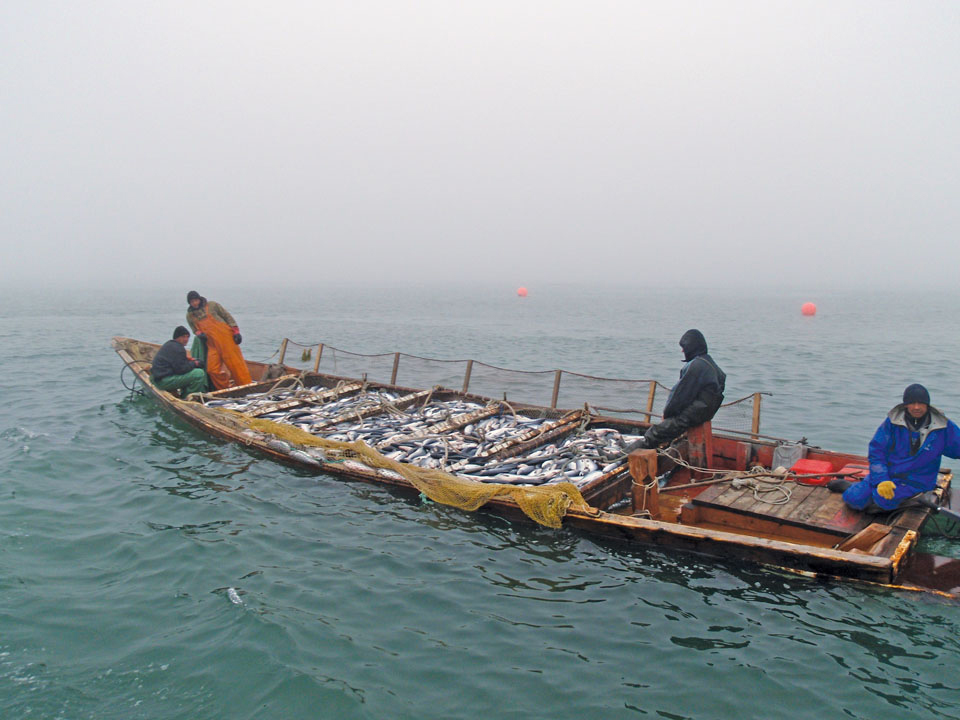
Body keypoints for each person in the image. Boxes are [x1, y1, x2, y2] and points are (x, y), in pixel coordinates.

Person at [829, 384, 960, 513]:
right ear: (905, 405)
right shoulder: (892, 423)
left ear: (927, 405)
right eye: (912, 403)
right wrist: (882, 480)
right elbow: (877, 453)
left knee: (883, 500)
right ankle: (851, 488)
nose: (916, 407)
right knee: (854, 500)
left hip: (918, 481)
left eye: (921, 403)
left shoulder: (943, 427)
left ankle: (882, 498)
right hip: (890, 474)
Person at [625, 329, 726, 451]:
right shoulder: (711, 364)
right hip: (703, 415)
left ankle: (620, 456)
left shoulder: (696, 366)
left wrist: (667, 415)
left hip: (690, 416)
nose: (683, 350)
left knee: (654, 433)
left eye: (684, 347)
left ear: (691, 347)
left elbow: (680, 396)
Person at [185, 290, 253, 390]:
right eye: (192, 302)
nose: (194, 303)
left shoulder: (212, 305)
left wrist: (236, 331)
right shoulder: (190, 315)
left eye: (196, 300)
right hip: (212, 344)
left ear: (199, 299)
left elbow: (227, 316)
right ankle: (226, 389)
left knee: (237, 366)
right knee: (212, 369)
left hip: (227, 340)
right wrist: (199, 334)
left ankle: (248, 389)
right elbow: (194, 329)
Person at [151, 326, 208, 397]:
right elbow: (181, 370)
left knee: (192, 371)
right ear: (177, 337)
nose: (186, 339)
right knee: (199, 373)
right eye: (183, 337)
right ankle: (187, 397)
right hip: (163, 382)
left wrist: (189, 361)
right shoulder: (178, 348)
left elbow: (177, 363)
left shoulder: (170, 344)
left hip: (157, 378)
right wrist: (195, 363)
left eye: (187, 337)